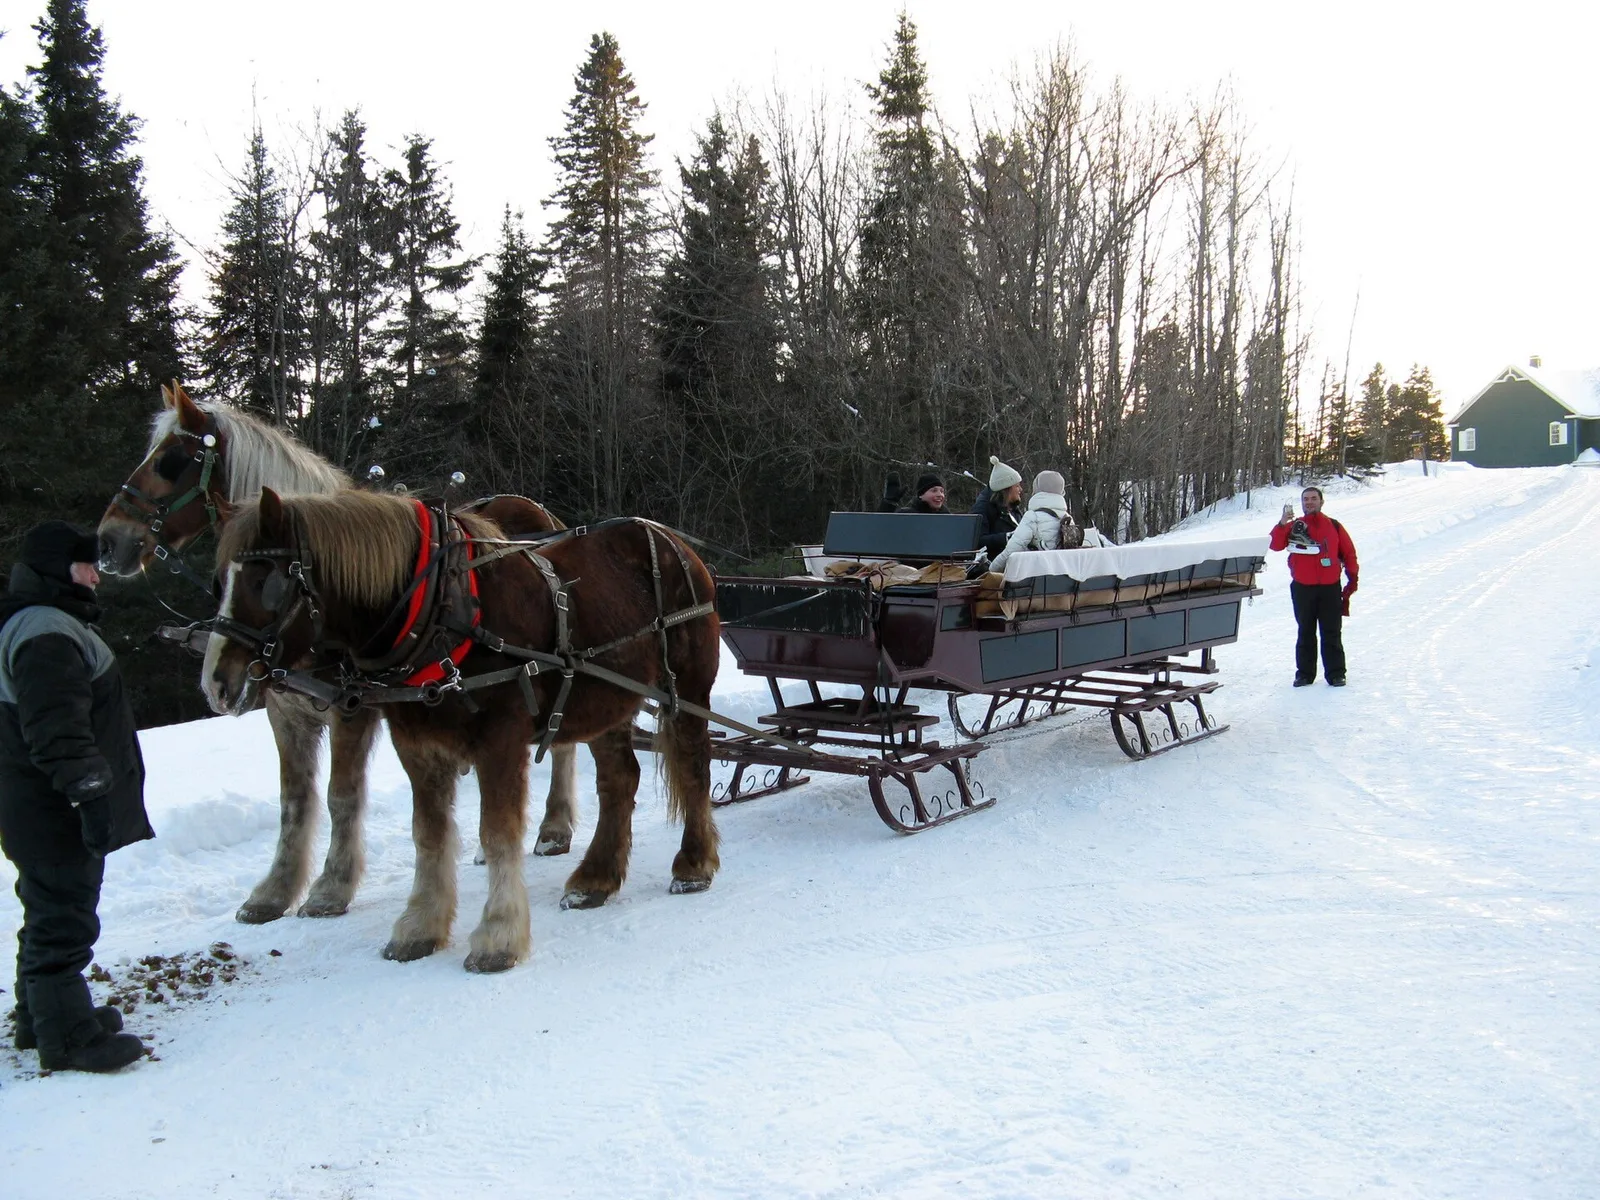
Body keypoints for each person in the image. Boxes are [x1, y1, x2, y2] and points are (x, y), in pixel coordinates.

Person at [1, 521, 152, 1072]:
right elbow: (58, 730)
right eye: (86, 565)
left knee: (47, 910)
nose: (96, 576)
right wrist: (88, 795)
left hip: (37, 805)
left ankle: (40, 1016)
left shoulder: (41, 623)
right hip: (53, 808)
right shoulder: (47, 633)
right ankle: (67, 1039)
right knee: (65, 918)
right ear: (59, 569)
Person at [1269, 486, 1359, 687]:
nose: (1309, 502)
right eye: (1305, 499)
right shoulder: (1294, 526)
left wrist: (1352, 580)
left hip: (1329, 587)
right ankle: (1304, 674)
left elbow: (1349, 553)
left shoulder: (1334, 526)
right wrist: (1283, 522)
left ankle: (1336, 674)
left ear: (1321, 501)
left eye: (1313, 498)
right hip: (1302, 588)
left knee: (1332, 631)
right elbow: (1274, 545)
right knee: (1305, 631)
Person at [987, 470, 1107, 574]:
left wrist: (991, 570)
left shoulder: (1032, 517)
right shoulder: (1067, 518)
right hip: (1063, 577)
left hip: (1038, 579)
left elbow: (1012, 550)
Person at [968, 457, 1024, 557]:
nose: (1020, 489)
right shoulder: (982, 509)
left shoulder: (1013, 508)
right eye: (1017, 486)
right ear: (1006, 489)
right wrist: (1006, 538)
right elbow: (976, 541)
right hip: (992, 567)